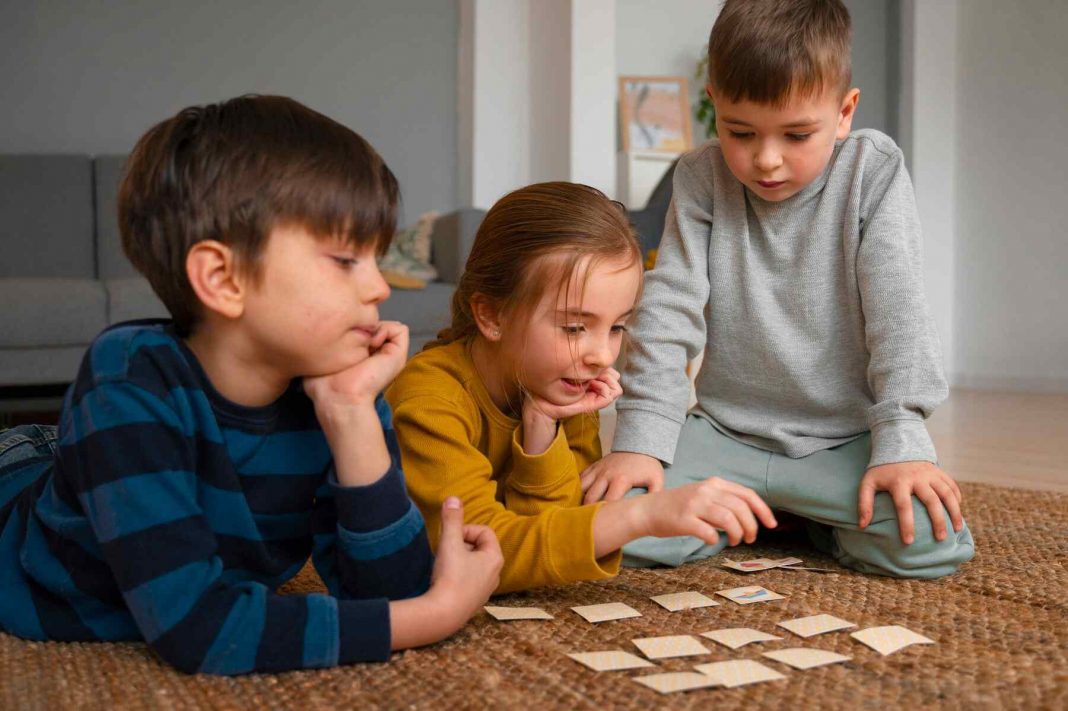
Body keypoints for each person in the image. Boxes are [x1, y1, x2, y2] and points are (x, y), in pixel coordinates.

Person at [0, 95, 502, 675]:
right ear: (222, 278)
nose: (379, 288)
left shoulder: (339, 384)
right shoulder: (130, 378)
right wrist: (436, 615)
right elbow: (198, 631)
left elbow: (388, 591)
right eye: (345, 260)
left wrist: (351, 413)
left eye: (377, 259)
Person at [581, 0, 974, 579]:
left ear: (844, 113)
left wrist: (902, 438)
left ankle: (793, 517)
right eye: (741, 133)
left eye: (796, 134)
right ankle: (780, 512)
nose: (766, 160)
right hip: (724, 434)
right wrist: (640, 436)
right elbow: (668, 308)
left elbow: (900, 314)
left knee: (928, 544)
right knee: (620, 530)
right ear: (714, 107)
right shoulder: (700, 177)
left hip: (842, 439)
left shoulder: (873, 169)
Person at [385, 182, 776, 593]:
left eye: (617, 327)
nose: (602, 357)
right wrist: (641, 515)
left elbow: (552, 540)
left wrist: (541, 432)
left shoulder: (560, 382)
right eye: (574, 328)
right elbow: (475, 557)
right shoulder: (429, 399)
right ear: (492, 316)